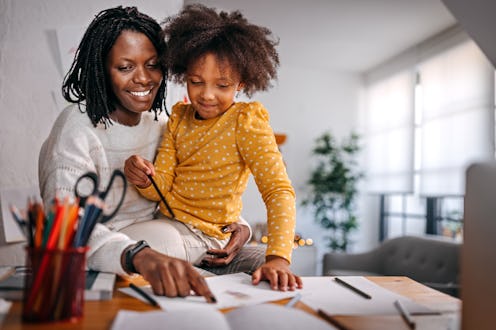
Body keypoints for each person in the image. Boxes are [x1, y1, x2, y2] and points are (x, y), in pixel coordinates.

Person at [38, 6, 255, 301]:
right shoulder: (76, 127)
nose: (143, 79)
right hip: (117, 258)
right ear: (101, 68)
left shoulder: (164, 124)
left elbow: (196, 189)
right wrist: (138, 255)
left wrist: (240, 227)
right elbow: (66, 224)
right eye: (125, 67)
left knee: (266, 263)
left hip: (180, 244)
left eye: (152, 65)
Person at [124, 4, 303, 291]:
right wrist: (143, 177)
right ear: (184, 76)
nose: (207, 95)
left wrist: (279, 257)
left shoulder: (246, 122)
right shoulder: (179, 118)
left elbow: (278, 190)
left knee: (122, 246)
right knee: (118, 245)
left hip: (208, 237)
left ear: (240, 83)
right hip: (170, 224)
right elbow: (164, 187)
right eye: (196, 82)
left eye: (222, 85)